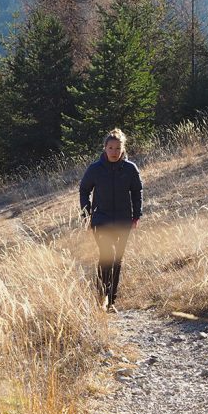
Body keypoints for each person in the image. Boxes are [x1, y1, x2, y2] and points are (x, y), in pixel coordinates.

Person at [79, 128, 143, 312]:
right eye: (111, 148)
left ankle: (111, 301)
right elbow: (84, 189)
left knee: (117, 260)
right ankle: (101, 296)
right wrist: (86, 214)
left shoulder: (130, 169)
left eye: (117, 148)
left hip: (123, 220)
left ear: (123, 149)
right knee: (109, 254)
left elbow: (137, 192)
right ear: (105, 148)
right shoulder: (95, 169)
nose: (114, 152)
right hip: (101, 219)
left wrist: (136, 215)